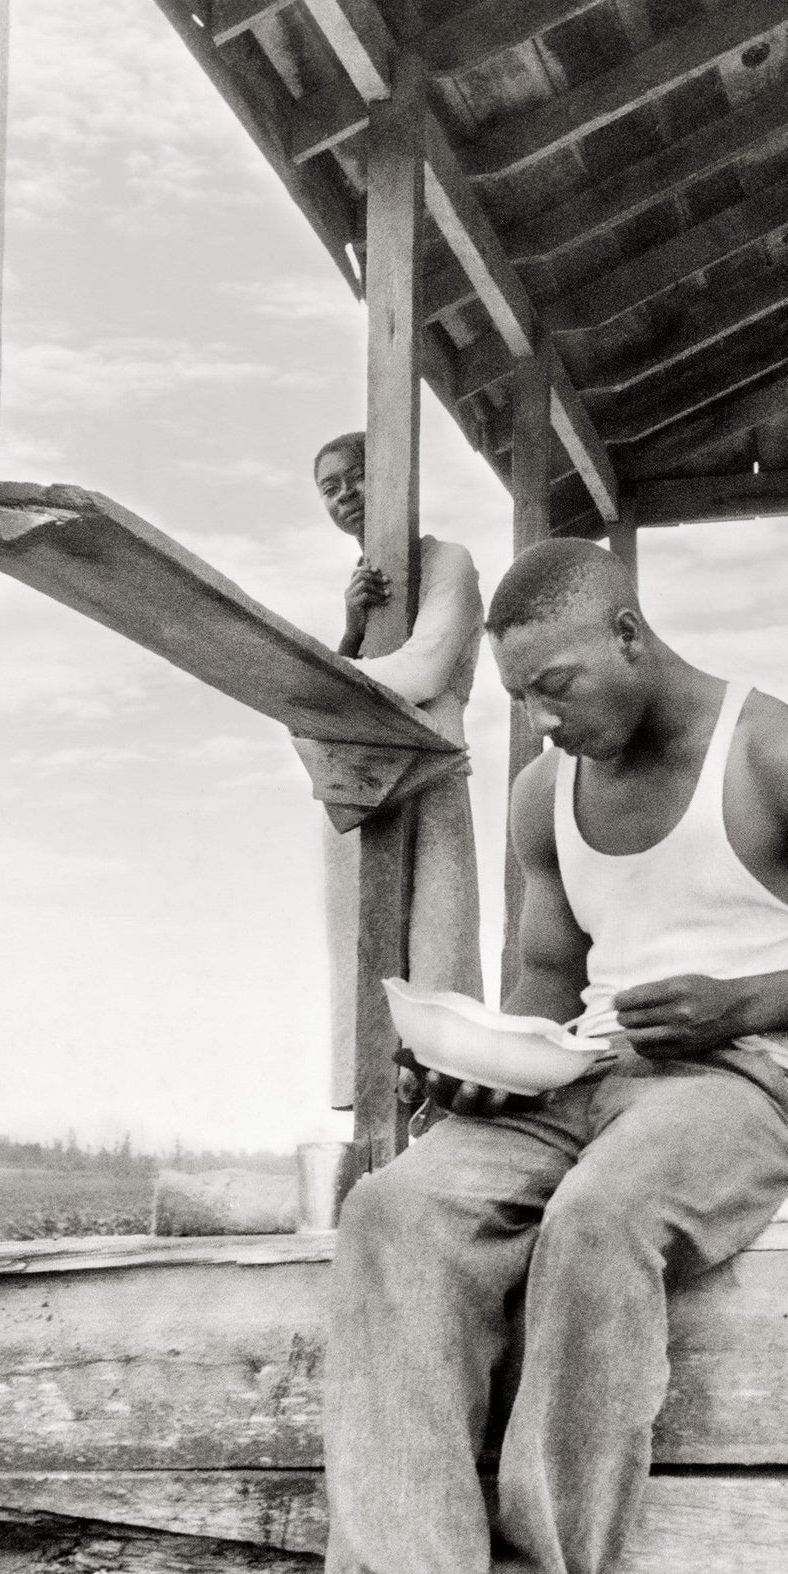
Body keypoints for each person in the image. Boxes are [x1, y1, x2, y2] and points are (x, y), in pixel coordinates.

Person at [292, 537, 788, 1574]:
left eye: (558, 685)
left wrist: (738, 1004)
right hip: (585, 1077)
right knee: (393, 1207)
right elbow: (545, 977)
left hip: (739, 1083)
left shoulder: (782, 756)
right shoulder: (548, 795)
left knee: (599, 1217)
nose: (543, 722)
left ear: (629, 636)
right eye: (521, 700)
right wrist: (493, 1071)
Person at [312, 432, 485, 1107]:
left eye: (356, 477)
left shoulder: (449, 564)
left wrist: (319, 691)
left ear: (393, 480)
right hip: (357, 789)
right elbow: (352, 678)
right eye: (329, 487)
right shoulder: (362, 586)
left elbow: (423, 671)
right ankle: (370, 1131)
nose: (345, 494)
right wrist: (349, 629)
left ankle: (446, 1117)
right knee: (360, 959)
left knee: (439, 956)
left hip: (432, 776)